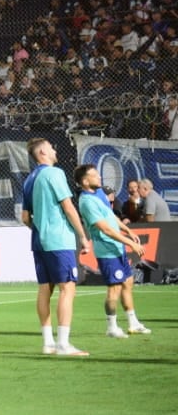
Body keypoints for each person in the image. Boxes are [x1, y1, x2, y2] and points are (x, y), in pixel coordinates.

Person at [21, 137, 92, 356]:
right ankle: (63, 344)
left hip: (39, 240)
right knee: (67, 288)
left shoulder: (29, 179)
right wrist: (83, 236)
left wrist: (41, 226)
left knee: (45, 288)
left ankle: (48, 343)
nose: (54, 149)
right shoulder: (54, 173)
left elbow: (25, 217)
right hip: (58, 240)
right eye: (51, 147)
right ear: (42, 152)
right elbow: (68, 207)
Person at [73, 164, 151, 338]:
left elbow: (111, 216)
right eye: (94, 175)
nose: (99, 177)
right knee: (114, 288)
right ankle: (112, 327)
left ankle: (133, 323)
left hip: (117, 247)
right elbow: (105, 229)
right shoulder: (86, 201)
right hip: (106, 250)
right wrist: (130, 242)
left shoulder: (99, 193)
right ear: (85, 181)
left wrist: (129, 230)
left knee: (128, 283)